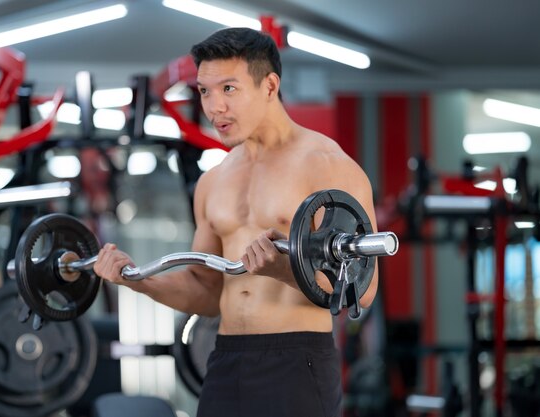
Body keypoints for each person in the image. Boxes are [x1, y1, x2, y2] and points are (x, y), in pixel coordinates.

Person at [94, 27, 378, 417]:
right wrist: (138, 280)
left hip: (297, 360)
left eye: (228, 89)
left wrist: (286, 271)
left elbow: (362, 291)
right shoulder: (214, 181)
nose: (214, 107)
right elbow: (206, 292)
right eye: (204, 91)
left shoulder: (327, 167)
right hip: (226, 359)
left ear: (269, 86)